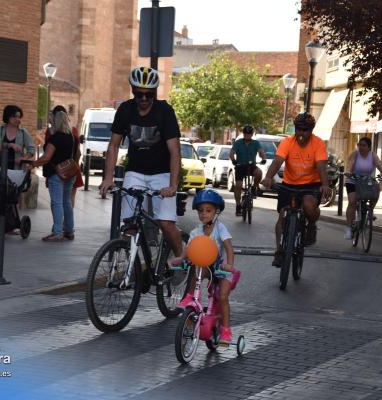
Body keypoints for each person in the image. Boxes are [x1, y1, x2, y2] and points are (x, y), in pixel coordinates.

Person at [99, 67, 183, 260]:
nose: (143, 98)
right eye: (139, 94)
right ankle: (133, 269)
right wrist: (108, 178)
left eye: (148, 94)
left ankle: (180, 256)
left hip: (162, 173)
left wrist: (173, 185)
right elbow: (113, 145)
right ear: (133, 91)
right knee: (129, 224)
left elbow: (174, 151)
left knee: (166, 223)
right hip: (135, 172)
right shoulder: (125, 110)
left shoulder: (165, 111)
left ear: (154, 93)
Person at [261, 112, 329, 267]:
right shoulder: (287, 142)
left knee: (309, 206)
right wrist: (268, 177)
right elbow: (278, 161)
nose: (301, 133)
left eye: (305, 130)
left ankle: (311, 225)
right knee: (283, 215)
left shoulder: (318, 143)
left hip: (311, 184)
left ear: (311, 130)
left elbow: (321, 166)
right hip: (289, 184)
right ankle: (279, 251)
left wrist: (325, 184)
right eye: (298, 129)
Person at [175, 189, 237, 345]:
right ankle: (191, 298)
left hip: (221, 270)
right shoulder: (197, 231)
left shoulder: (219, 228)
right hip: (206, 267)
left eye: (208, 210)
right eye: (201, 211)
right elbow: (189, 249)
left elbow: (229, 247)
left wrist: (229, 264)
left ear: (216, 212)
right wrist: (181, 259)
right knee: (197, 271)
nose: (204, 214)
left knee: (222, 297)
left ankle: (225, 330)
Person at [32, 111, 76, 241]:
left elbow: (46, 157)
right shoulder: (70, 137)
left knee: (57, 203)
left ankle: (57, 232)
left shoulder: (55, 138)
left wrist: (33, 164)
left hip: (56, 174)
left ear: (56, 122)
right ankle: (69, 230)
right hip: (69, 173)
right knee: (67, 202)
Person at [343, 137, 382, 239]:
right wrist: (349, 172)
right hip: (353, 180)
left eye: (364, 145)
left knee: (376, 188)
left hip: (366, 180)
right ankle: (349, 229)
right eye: (360, 145)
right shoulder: (355, 154)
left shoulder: (372, 155)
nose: (361, 147)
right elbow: (350, 163)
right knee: (352, 202)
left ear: (369, 147)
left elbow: (379, 164)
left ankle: (371, 210)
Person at [44, 105, 83, 206]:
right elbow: (78, 152)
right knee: (69, 200)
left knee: (57, 200)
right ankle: (67, 221)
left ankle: (59, 221)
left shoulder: (51, 132)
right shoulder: (73, 130)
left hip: (56, 170)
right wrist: (74, 166)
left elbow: (48, 152)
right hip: (72, 168)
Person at [229, 124, 267, 216]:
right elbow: (232, 153)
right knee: (238, 185)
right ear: (243, 134)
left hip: (251, 166)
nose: (247, 135)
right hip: (240, 166)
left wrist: (263, 158)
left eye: (249, 134)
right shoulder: (238, 142)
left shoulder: (255, 143)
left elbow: (261, 152)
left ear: (252, 134)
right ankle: (238, 205)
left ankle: (254, 188)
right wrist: (234, 160)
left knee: (259, 173)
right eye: (246, 134)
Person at [0, 105, 35, 170]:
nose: (17, 119)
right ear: (8, 116)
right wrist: (10, 145)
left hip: (17, 168)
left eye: (19, 117)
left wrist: (24, 158)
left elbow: (31, 149)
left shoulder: (23, 132)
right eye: (14, 116)